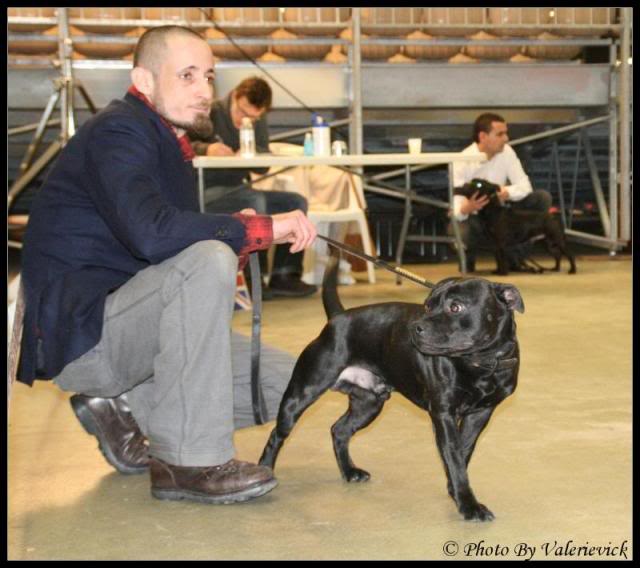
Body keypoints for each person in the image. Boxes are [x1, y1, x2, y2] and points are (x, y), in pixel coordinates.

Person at [17, 26, 317, 505]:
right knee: (208, 257)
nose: (203, 91)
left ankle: (127, 409)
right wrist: (254, 230)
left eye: (209, 77)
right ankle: (189, 461)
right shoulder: (119, 131)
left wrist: (229, 230)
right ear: (145, 79)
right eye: (187, 76)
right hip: (85, 336)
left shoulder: (166, 143)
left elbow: (160, 241)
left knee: (301, 382)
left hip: (129, 330)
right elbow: (153, 234)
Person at [190, 76, 317, 298]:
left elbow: (264, 163)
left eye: (254, 117)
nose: (245, 121)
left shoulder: (257, 120)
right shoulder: (210, 110)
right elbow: (182, 144)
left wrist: (256, 155)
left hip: (239, 188)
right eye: (242, 113)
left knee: (295, 203)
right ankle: (253, 280)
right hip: (205, 189)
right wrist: (206, 149)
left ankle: (285, 274)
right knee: (254, 203)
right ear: (236, 96)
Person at [451, 112, 552, 272]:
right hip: (476, 217)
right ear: (483, 136)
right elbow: (454, 207)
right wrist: (466, 208)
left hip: (502, 213)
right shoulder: (461, 160)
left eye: (506, 133)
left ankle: (516, 256)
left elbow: (525, 187)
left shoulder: (507, 152)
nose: (506, 139)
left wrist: (505, 192)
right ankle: (467, 260)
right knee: (461, 226)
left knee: (541, 198)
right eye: (500, 134)